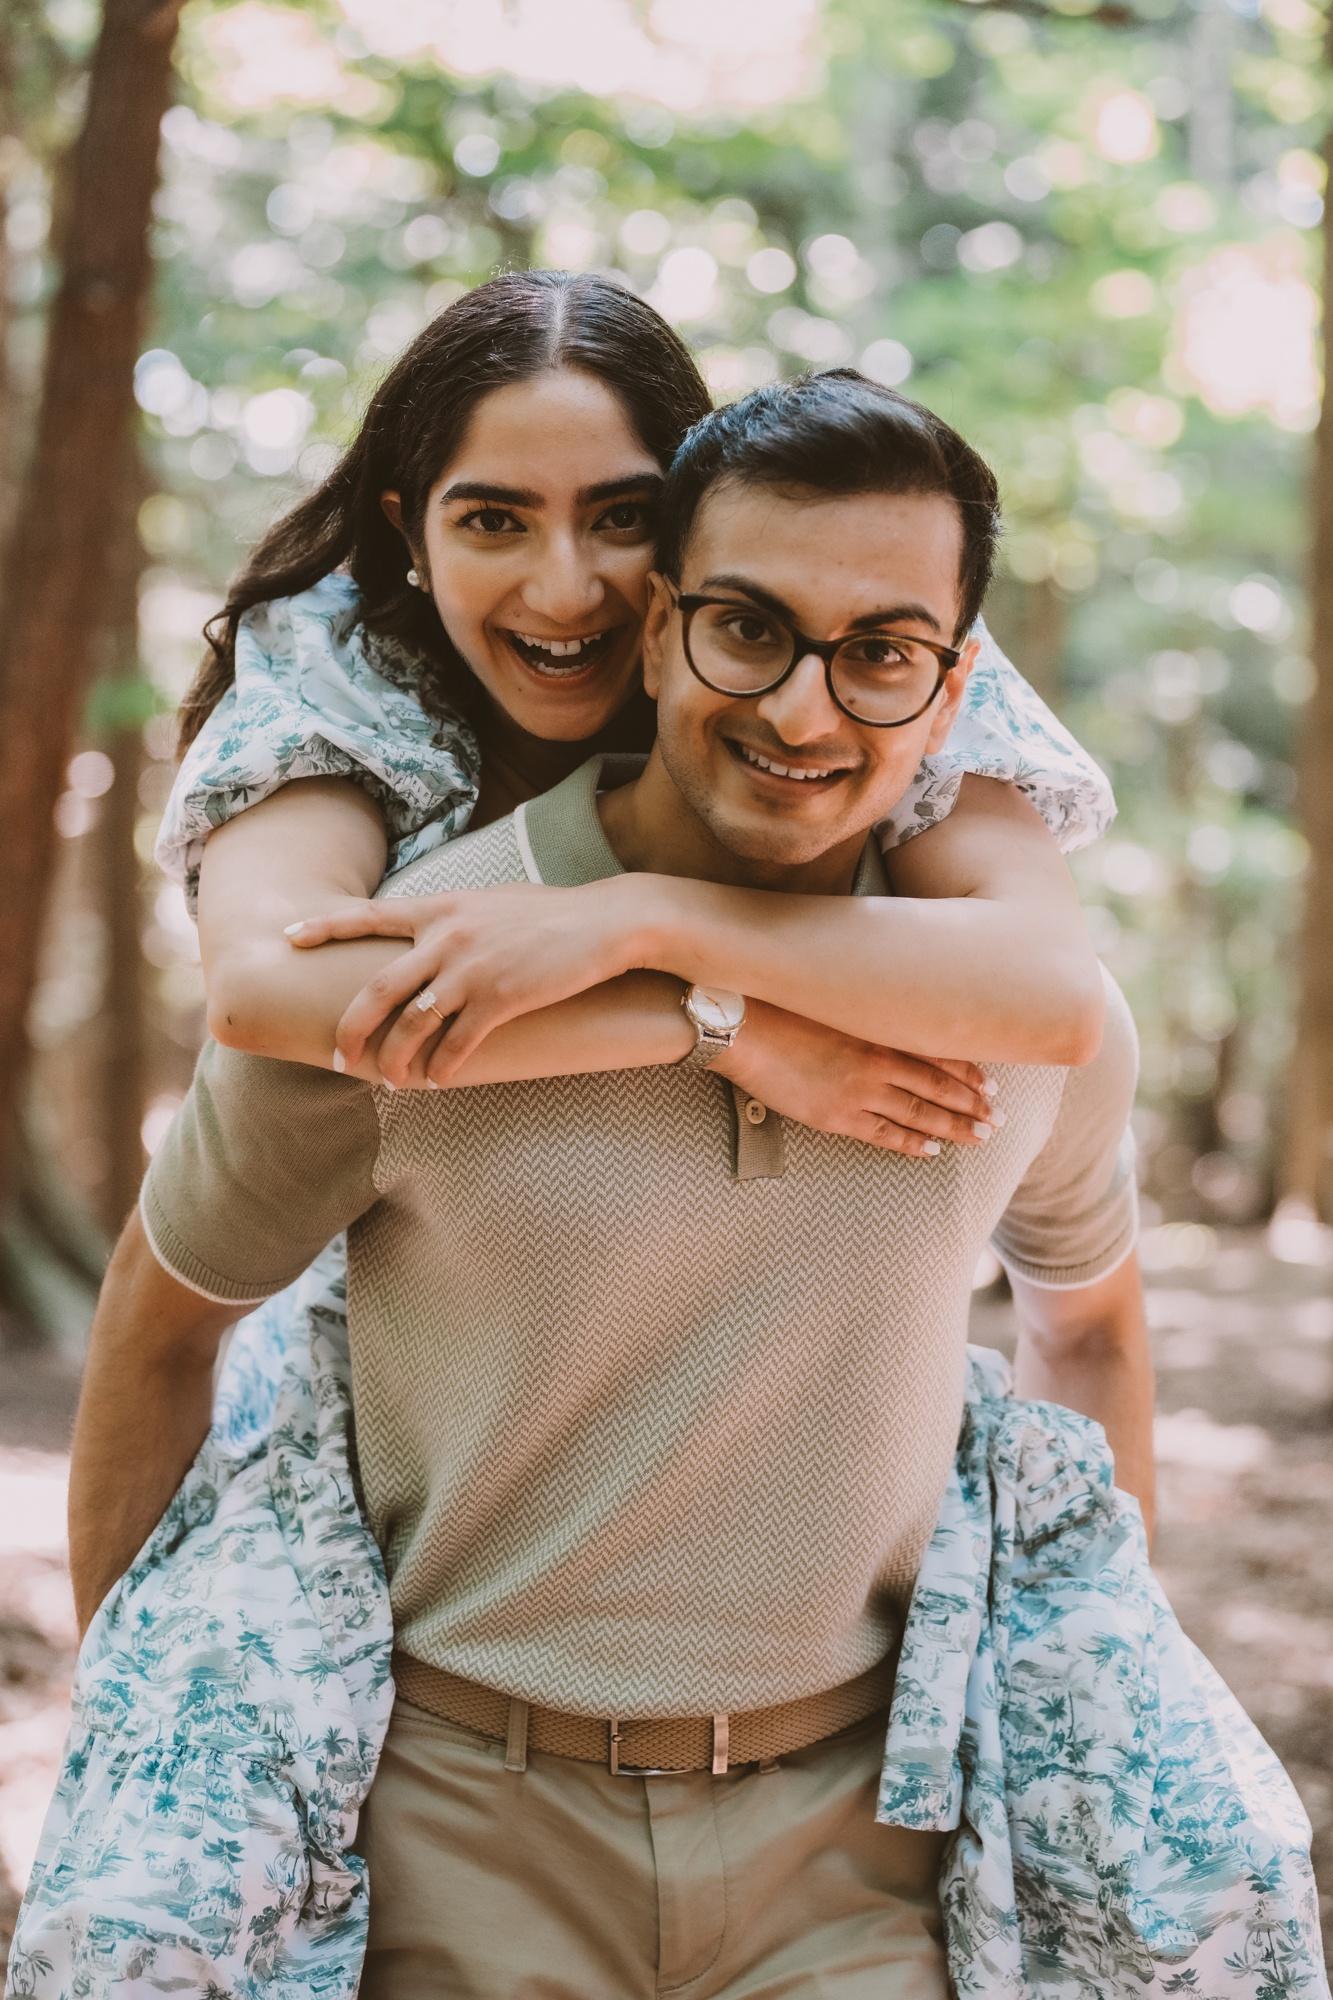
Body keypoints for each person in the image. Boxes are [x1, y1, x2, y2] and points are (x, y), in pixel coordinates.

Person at [80, 373, 1143, 1996]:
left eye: (880, 654)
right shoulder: (405, 972)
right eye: (746, 630)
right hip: (454, 1841)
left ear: (955, 692)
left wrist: (1097, 1726)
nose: (804, 712)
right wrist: (135, 1772)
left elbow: (1094, 1333)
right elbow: (159, 1327)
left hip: (874, 1864)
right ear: (659, 632)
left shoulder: (1016, 1005)